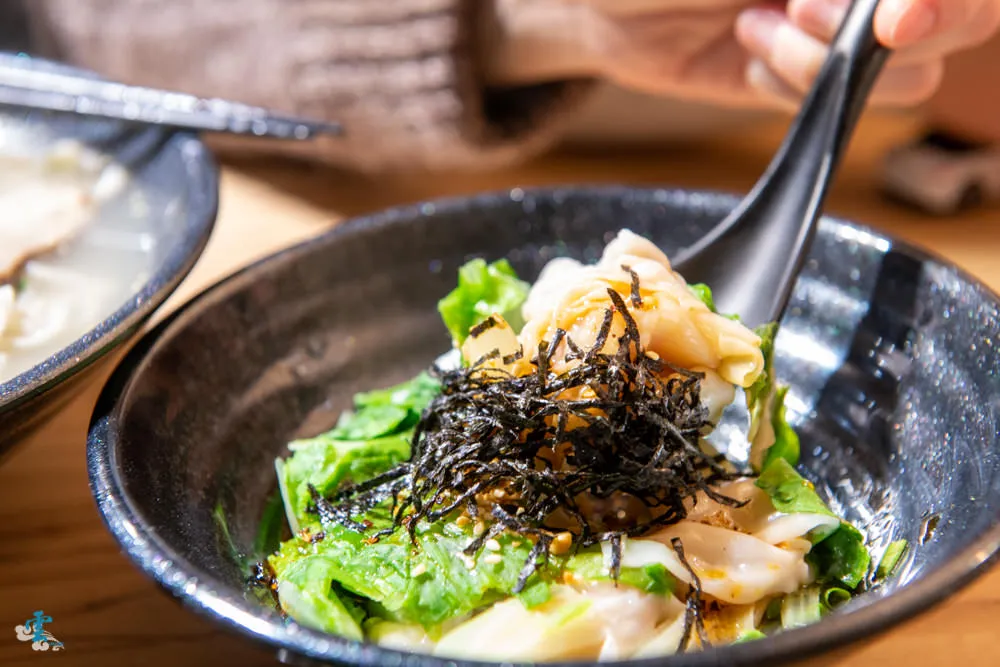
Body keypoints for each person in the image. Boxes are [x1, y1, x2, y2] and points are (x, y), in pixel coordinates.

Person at [13, 0, 1000, 173]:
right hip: (302, 196)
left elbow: (970, 82)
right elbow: (60, 25)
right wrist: (513, 21)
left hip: (794, 142)